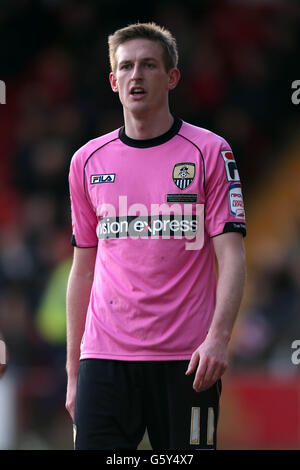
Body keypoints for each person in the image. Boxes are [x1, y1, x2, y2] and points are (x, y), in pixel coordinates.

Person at [65, 22, 246, 451]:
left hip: (187, 362)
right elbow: (81, 271)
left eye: (148, 65)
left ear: (172, 77)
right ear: (113, 81)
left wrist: (218, 338)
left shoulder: (209, 152)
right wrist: (74, 371)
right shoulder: (86, 161)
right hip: (104, 360)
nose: (136, 76)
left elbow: (233, 256)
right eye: (125, 67)